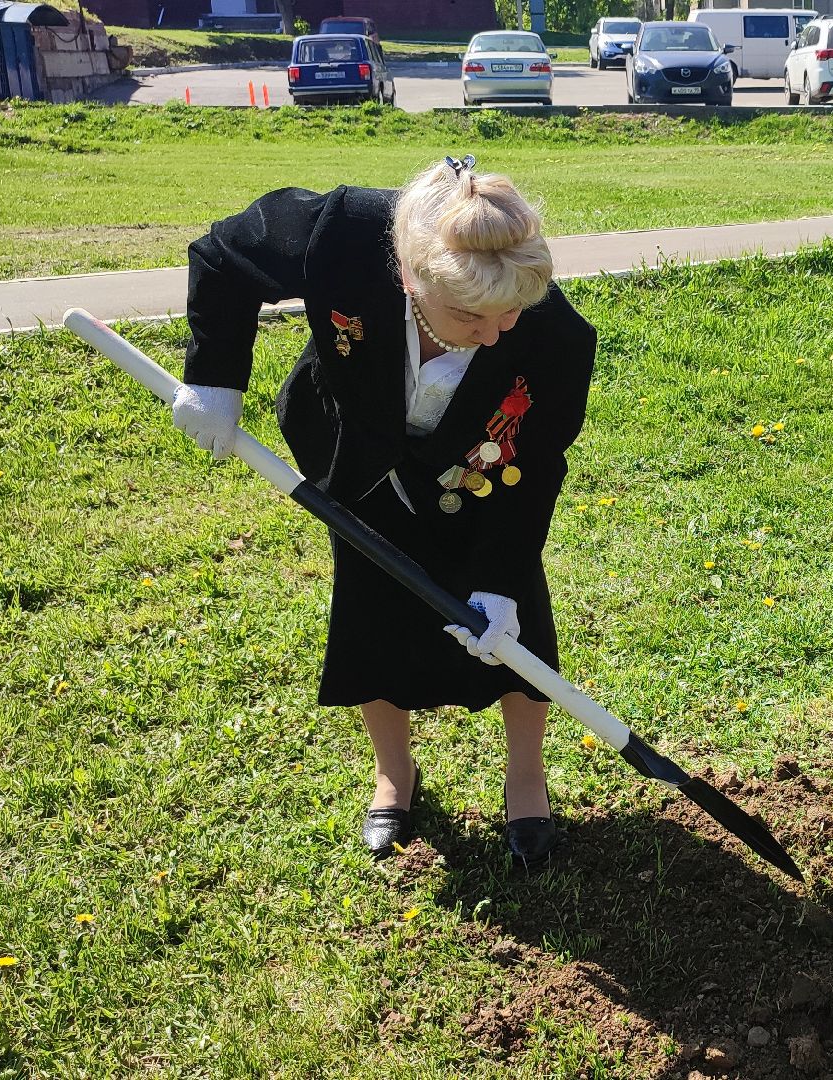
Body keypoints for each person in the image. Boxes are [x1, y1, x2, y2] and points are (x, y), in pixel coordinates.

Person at [173, 157, 596, 869]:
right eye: (470, 315)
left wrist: (496, 579)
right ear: (411, 277)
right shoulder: (338, 234)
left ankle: (527, 782)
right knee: (372, 603)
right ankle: (393, 774)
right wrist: (215, 378)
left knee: (518, 617)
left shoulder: (556, 339)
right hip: (356, 451)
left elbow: (542, 464)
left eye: (510, 314)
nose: (495, 335)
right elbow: (223, 254)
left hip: (484, 478)